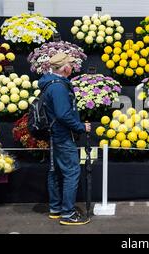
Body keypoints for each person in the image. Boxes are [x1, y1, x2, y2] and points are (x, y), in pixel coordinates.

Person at [38, 52, 92, 226]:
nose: (72, 67)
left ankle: (56, 208)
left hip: (54, 134)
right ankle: (67, 213)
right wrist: (81, 127)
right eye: (70, 64)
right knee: (71, 172)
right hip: (63, 136)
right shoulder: (59, 87)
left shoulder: (49, 84)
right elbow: (63, 114)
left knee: (55, 171)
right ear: (65, 68)